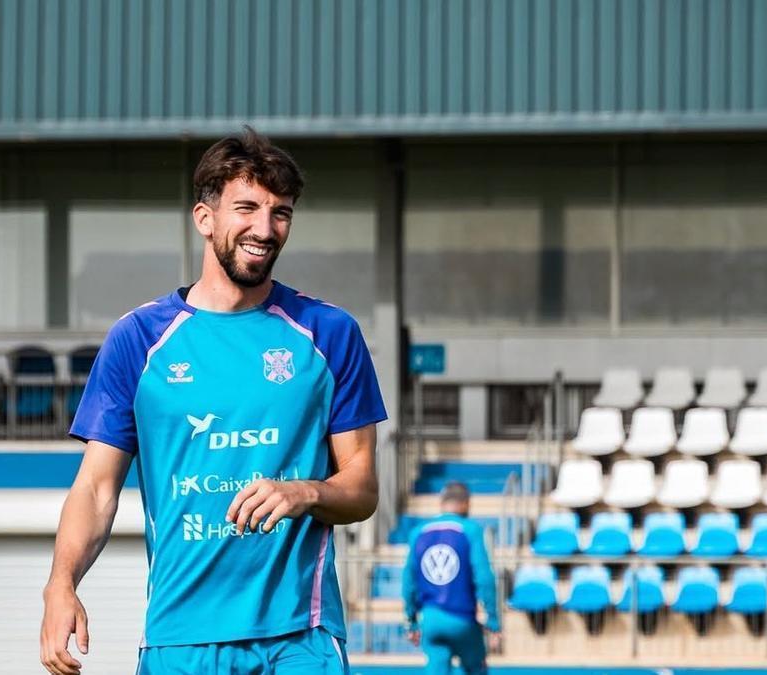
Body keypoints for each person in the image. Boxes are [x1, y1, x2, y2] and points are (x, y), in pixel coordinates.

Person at [40, 128, 387, 675]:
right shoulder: (137, 339)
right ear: (204, 217)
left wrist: (303, 492)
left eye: (281, 213)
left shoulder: (330, 332)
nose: (265, 228)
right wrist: (61, 586)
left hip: (302, 634)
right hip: (182, 638)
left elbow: (362, 486)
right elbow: (96, 488)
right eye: (246, 207)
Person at [401, 481, 501, 675]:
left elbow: (408, 582)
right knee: (475, 667)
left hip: (430, 620)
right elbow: (484, 578)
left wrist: (411, 621)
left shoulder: (418, 532)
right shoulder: (470, 530)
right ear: (466, 503)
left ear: (442, 502)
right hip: (462, 619)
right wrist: (493, 619)